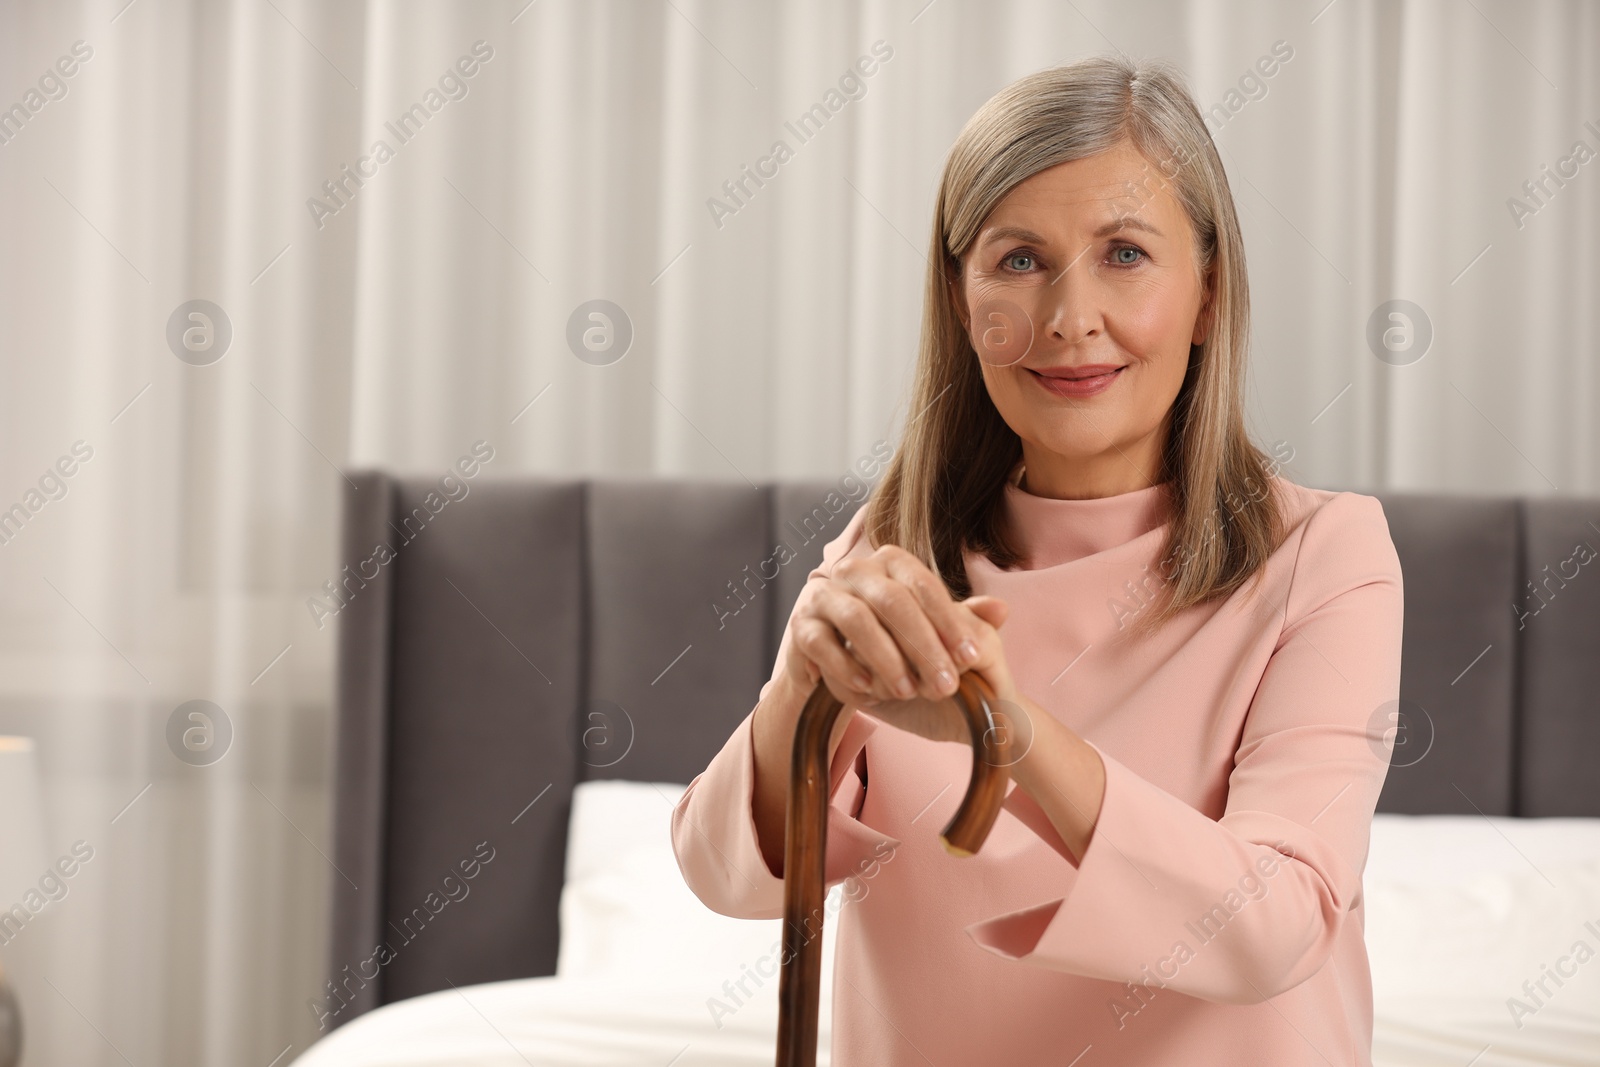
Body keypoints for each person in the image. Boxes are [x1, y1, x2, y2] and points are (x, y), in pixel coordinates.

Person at [671, 52, 1403, 1067]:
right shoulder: (891, 555)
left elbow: (1274, 923)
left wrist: (1012, 737)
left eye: (1125, 253)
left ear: (1206, 294)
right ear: (963, 301)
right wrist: (798, 681)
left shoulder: (1323, 554)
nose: (1067, 317)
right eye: (1018, 259)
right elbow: (729, 878)